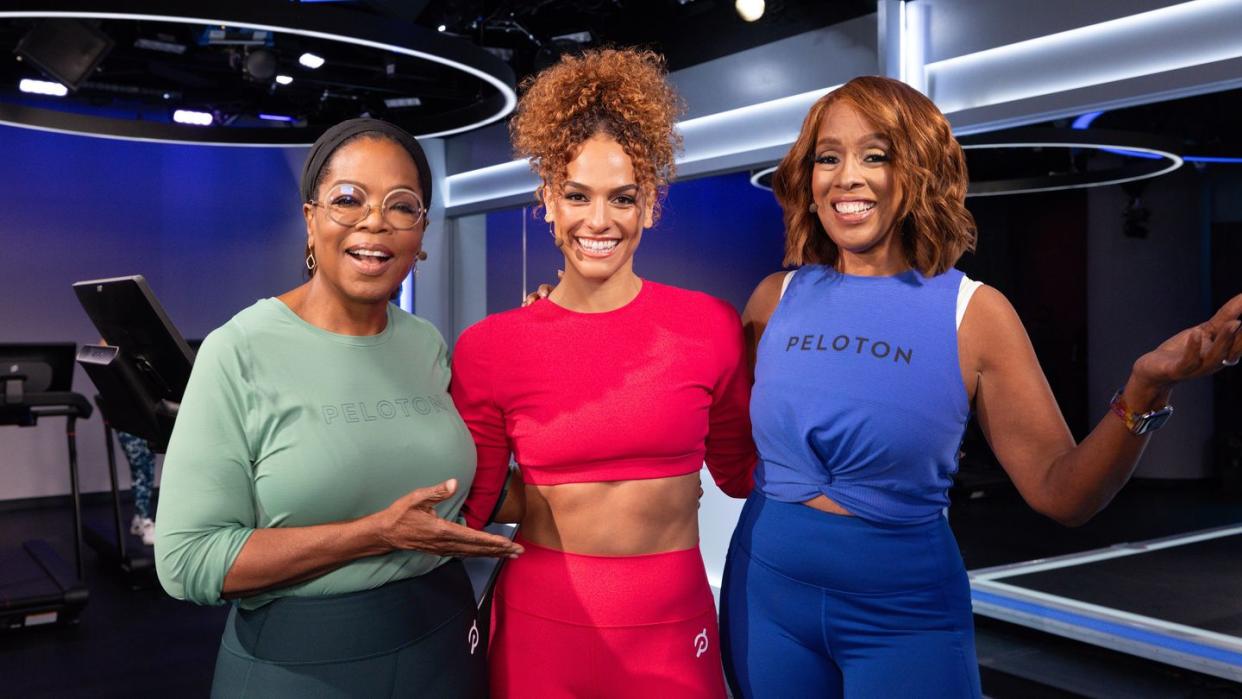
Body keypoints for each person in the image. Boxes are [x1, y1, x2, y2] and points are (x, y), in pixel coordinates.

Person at [720, 75, 1242, 698]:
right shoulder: (772, 300)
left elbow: (1063, 493)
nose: (846, 177)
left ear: (918, 169)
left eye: (876, 155)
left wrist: (1145, 389)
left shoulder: (974, 312)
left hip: (904, 619)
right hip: (766, 599)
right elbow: (735, 454)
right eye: (828, 157)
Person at [154, 118, 521, 698]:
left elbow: (474, 484)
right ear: (310, 220)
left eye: (403, 206)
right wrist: (376, 534)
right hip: (302, 666)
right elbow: (188, 561)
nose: (375, 221)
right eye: (348, 200)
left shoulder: (425, 343)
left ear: (421, 233)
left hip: (447, 642)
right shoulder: (239, 350)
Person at [450, 48, 755, 698]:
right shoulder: (490, 347)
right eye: (576, 196)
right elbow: (469, 504)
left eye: (623, 197)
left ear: (651, 204)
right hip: (540, 627)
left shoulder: (710, 328)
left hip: (673, 627)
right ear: (547, 201)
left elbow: (742, 472)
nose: (598, 220)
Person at [116, 430, 156, 545]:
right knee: (140, 470)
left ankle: (139, 520)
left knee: (148, 469)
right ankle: (145, 520)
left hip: (144, 427)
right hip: (129, 427)